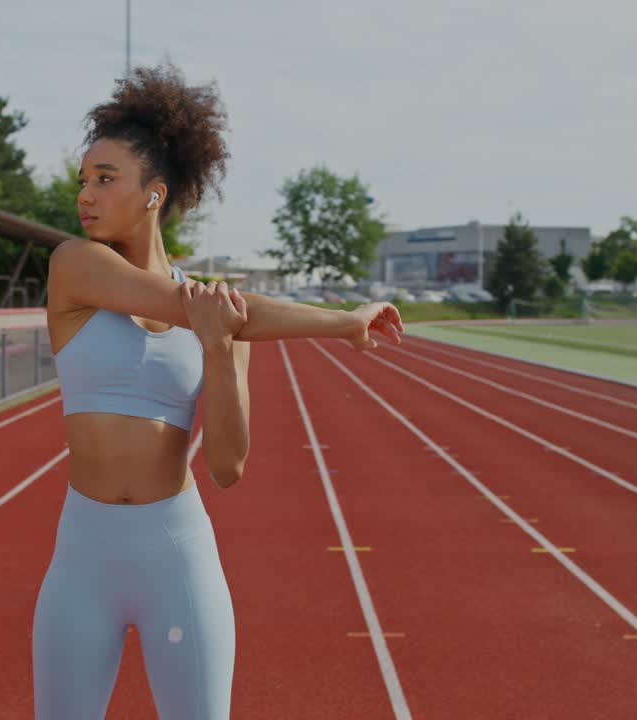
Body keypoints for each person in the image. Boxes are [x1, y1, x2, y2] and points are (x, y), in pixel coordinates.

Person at [31, 62, 404, 720]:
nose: (85, 195)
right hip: (82, 556)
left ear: (154, 193)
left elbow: (228, 466)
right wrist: (344, 322)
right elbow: (203, 305)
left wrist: (218, 347)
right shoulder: (76, 266)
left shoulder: (218, 318)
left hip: (177, 554)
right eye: (83, 179)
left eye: (105, 179)